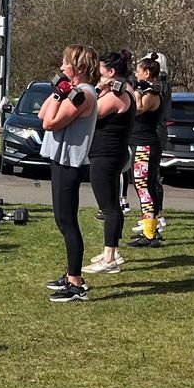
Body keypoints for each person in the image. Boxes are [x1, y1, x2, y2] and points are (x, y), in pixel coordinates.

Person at [42, 44, 100, 303]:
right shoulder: (70, 92)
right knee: (61, 218)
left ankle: (76, 282)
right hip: (59, 159)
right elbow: (43, 113)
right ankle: (70, 274)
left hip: (70, 163)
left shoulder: (84, 94)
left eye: (66, 63)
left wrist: (62, 95)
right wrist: (57, 93)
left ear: (78, 68)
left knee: (67, 221)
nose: (61, 67)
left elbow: (50, 123)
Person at [84, 50, 136, 276]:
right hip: (112, 153)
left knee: (109, 207)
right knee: (113, 203)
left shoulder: (117, 94)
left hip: (107, 154)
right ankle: (113, 251)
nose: (97, 74)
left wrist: (96, 90)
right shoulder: (125, 88)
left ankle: (108, 258)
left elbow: (90, 113)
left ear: (111, 72)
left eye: (101, 70)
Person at [126, 53, 169, 248]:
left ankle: (150, 233)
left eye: (139, 71)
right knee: (145, 187)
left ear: (148, 72)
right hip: (141, 144)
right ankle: (149, 229)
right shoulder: (147, 91)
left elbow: (137, 109)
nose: (136, 74)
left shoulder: (151, 94)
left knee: (143, 187)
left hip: (146, 146)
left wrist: (136, 90)